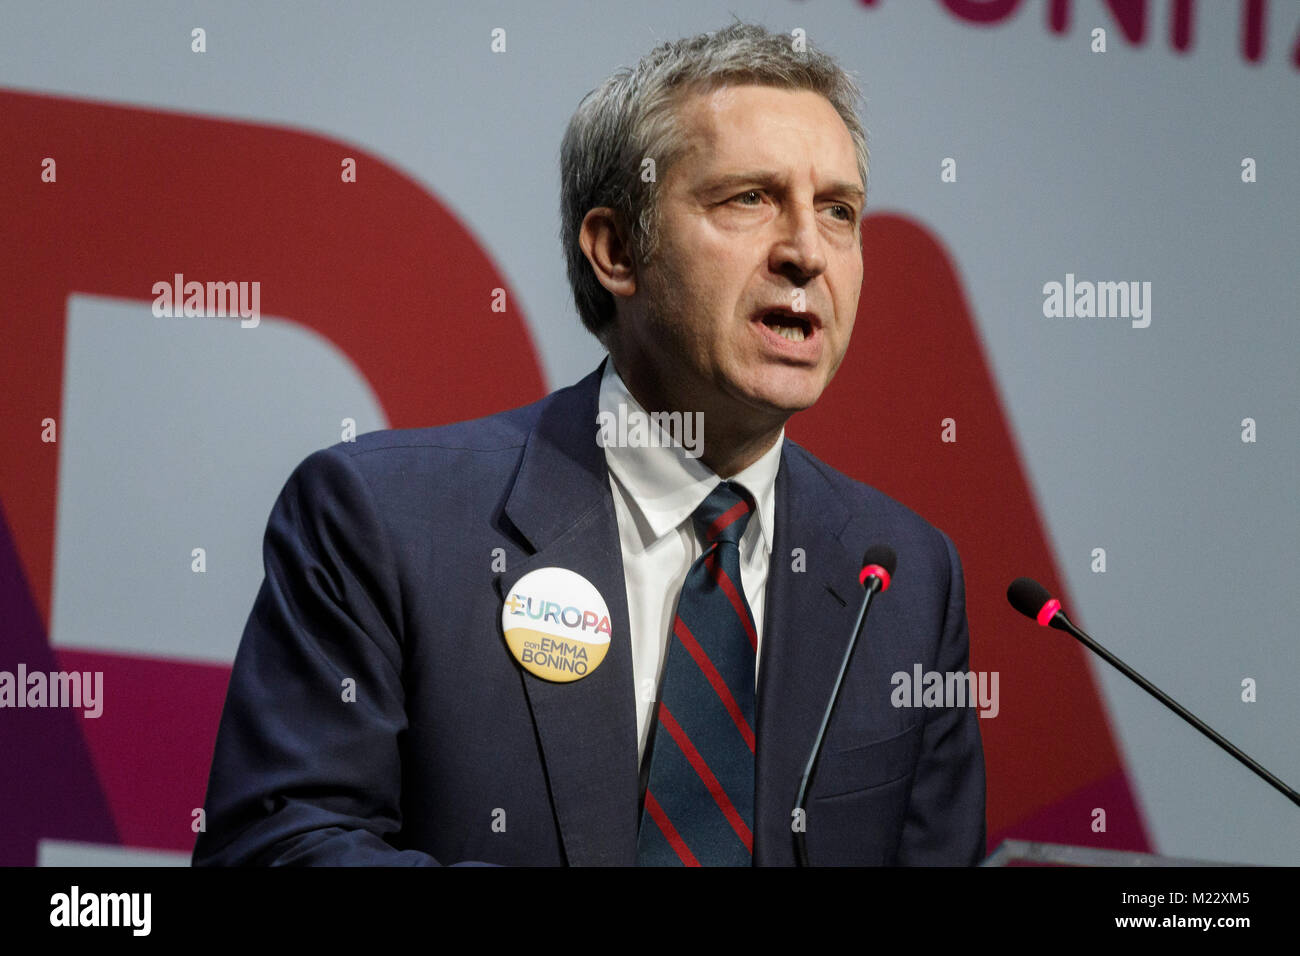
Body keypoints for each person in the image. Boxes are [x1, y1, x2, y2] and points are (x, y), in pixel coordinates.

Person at [193, 21, 985, 867]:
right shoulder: (387, 523)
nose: (806, 252)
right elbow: (275, 849)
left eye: (839, 211)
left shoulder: (901, 578)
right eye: (749, 198)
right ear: (615, 251)